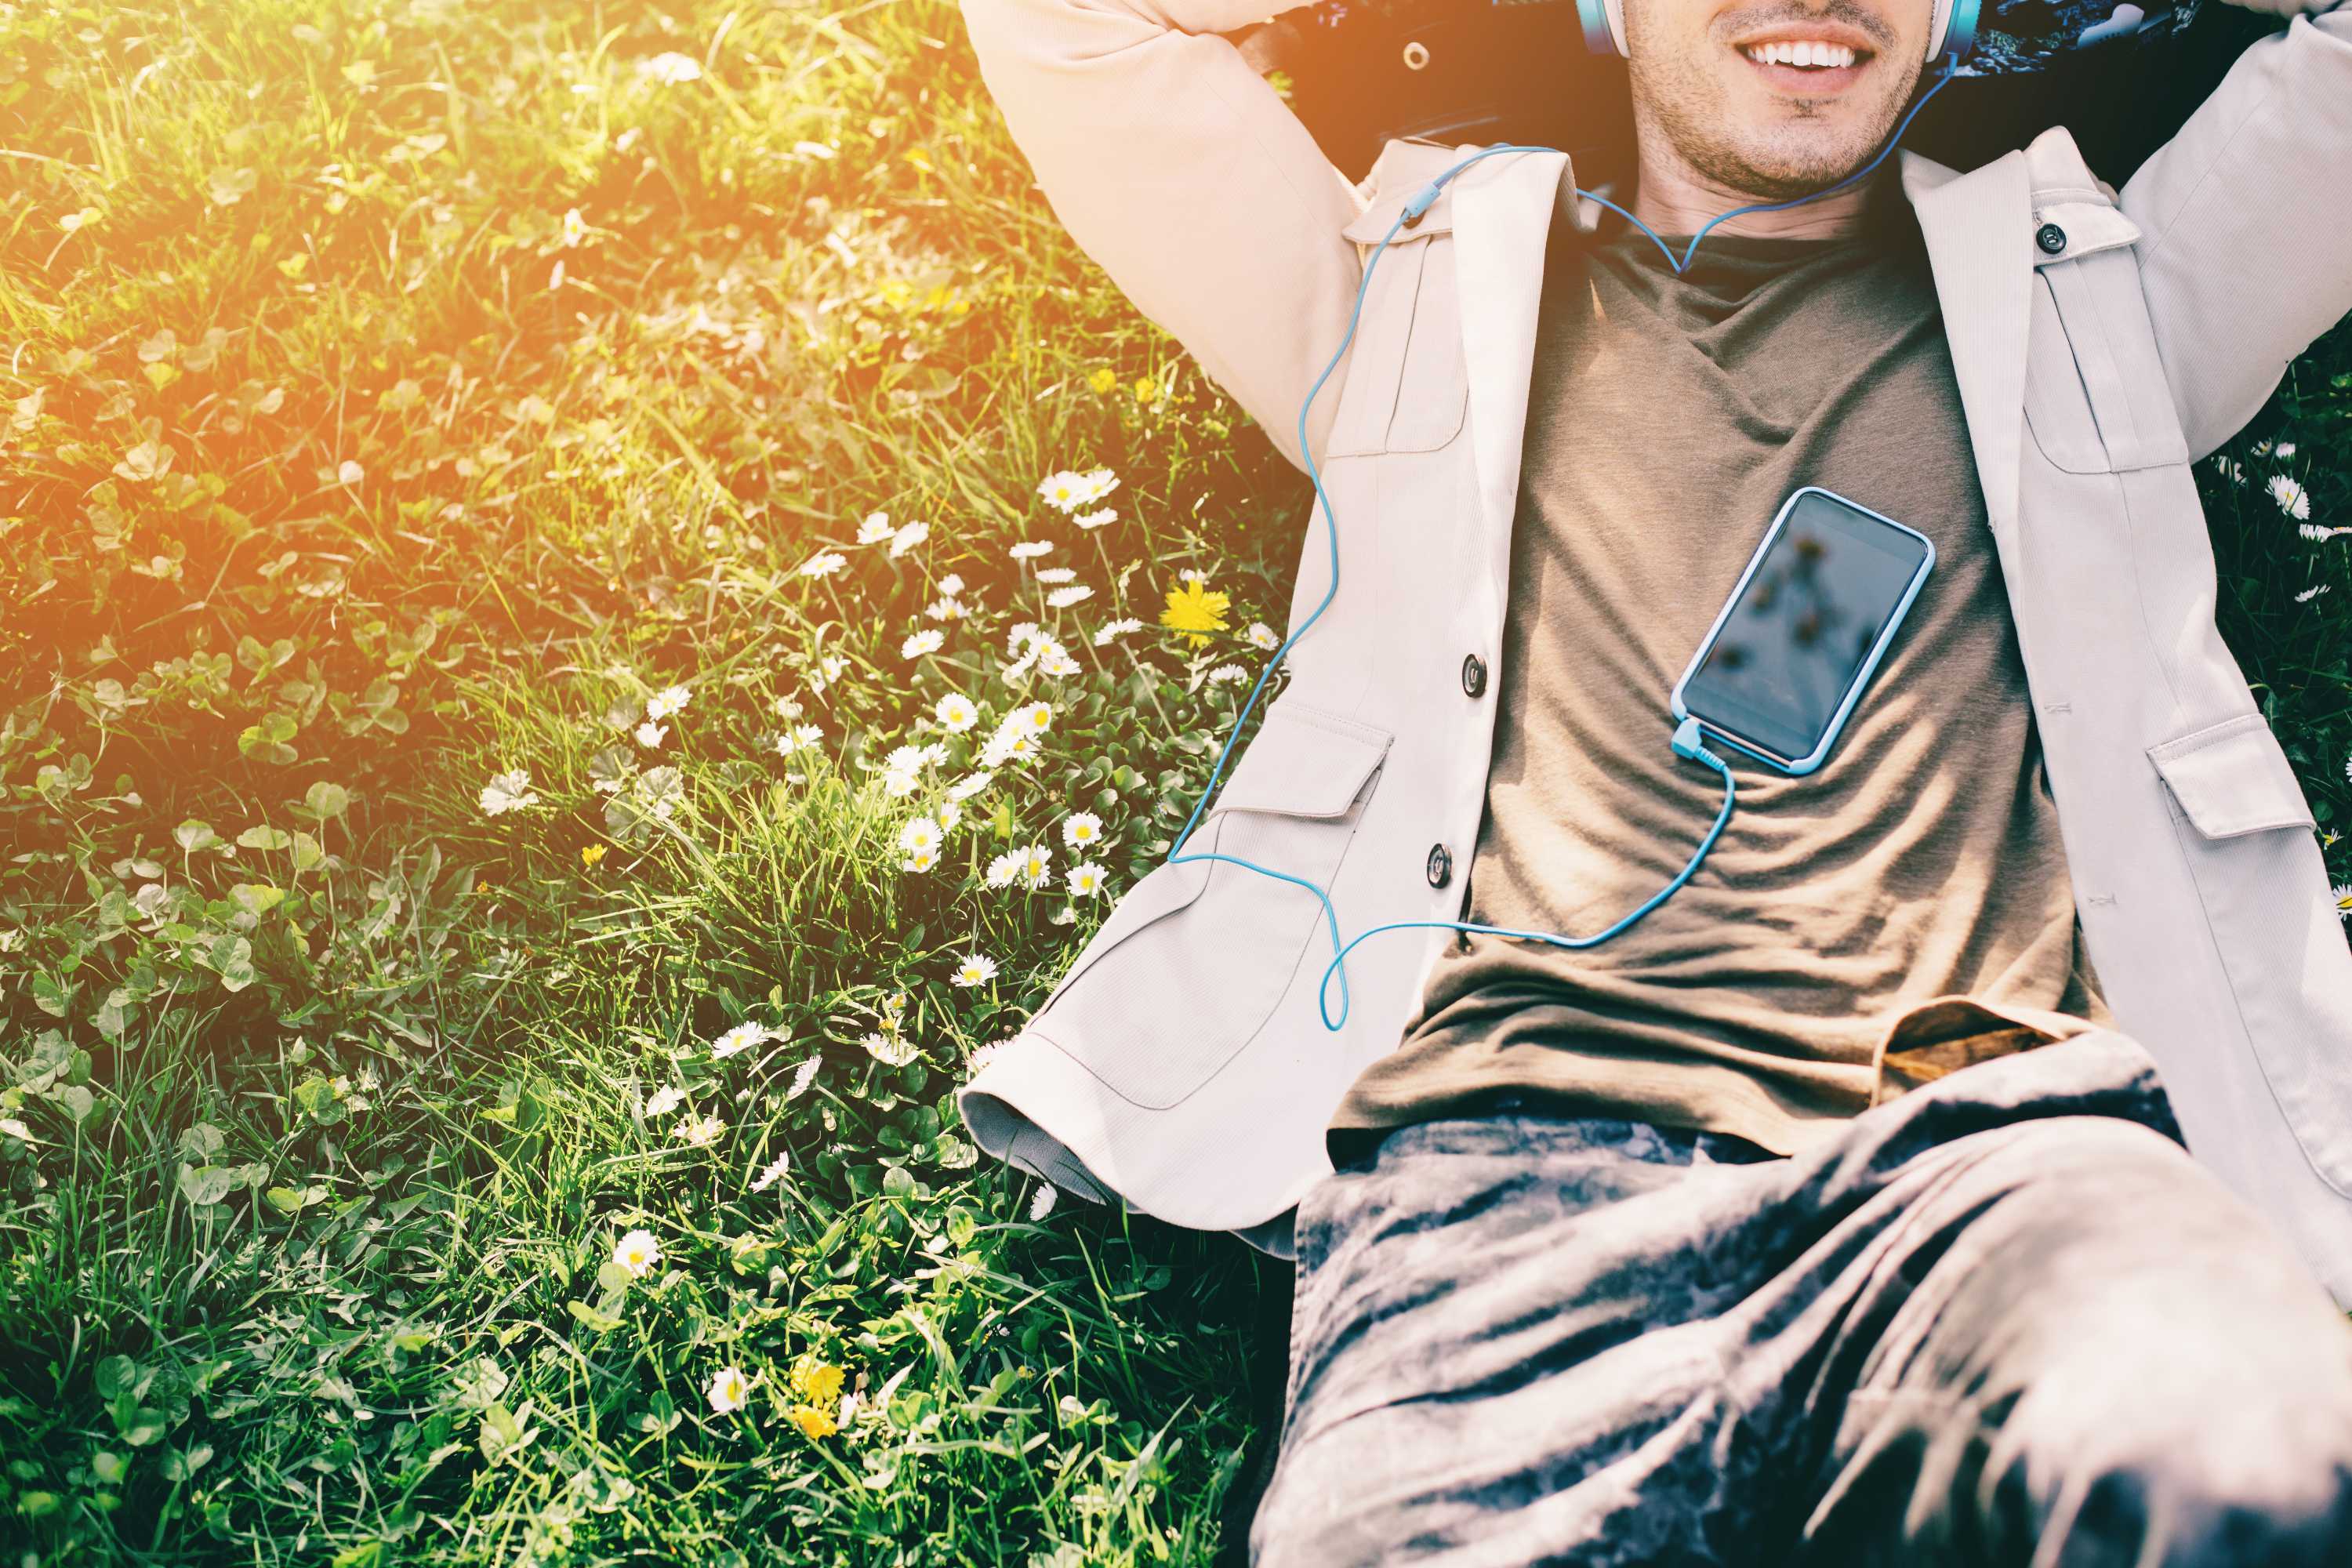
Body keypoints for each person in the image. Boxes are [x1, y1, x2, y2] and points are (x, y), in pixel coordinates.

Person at [953, 0, 2352, 1559]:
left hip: (2000, 1155)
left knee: (2256, 1480)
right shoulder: (1401, 288)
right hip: (1494, 1196)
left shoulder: (2103, 297)